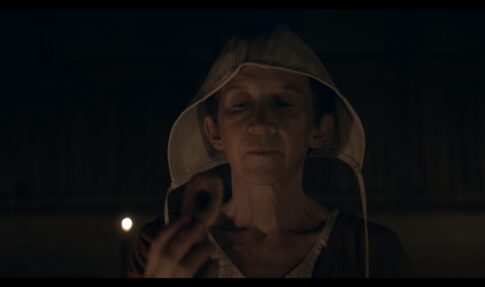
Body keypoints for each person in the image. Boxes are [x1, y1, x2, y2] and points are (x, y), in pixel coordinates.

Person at [128, 24, 411, 278]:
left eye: (284, 103)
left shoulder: (368, 251)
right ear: (214, 131)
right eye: (241, 104)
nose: (261, 123)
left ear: (319, 129)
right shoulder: (165, 247)